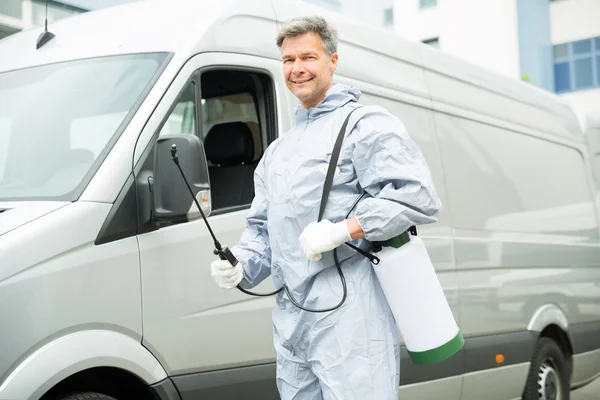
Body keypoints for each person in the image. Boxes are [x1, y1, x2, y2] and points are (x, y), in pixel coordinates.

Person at [210, 15, 442, 400]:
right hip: (292, 323)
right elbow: (263, 232)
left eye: (308, 57)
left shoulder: (364, 125)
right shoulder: (276, 154)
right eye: (288, 60)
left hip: (351, 321)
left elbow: (417, 196)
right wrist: (239, 264)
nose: (297, 69)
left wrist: (345, 229)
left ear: (332, 61)